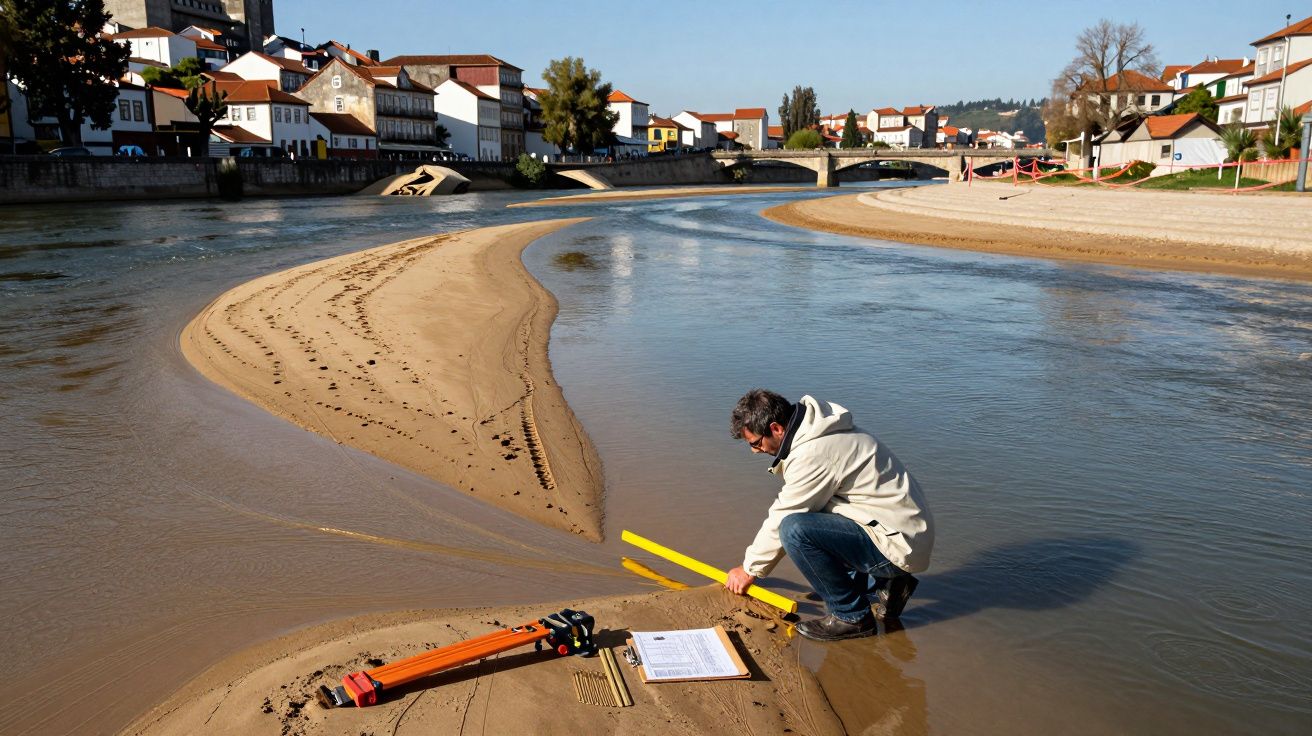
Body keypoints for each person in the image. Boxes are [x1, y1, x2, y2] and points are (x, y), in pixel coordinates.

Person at [725, 389, 934, 641]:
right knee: (819, 507)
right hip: (902, 530)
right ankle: (873, 586)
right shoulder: (820, 428)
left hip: (897, 544)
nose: (755, 451)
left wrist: (749, 569)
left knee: (794, 529)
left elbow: (785, 513)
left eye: (756, 443)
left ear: (777, 428)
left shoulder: (814, 453)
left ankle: (852, 615)